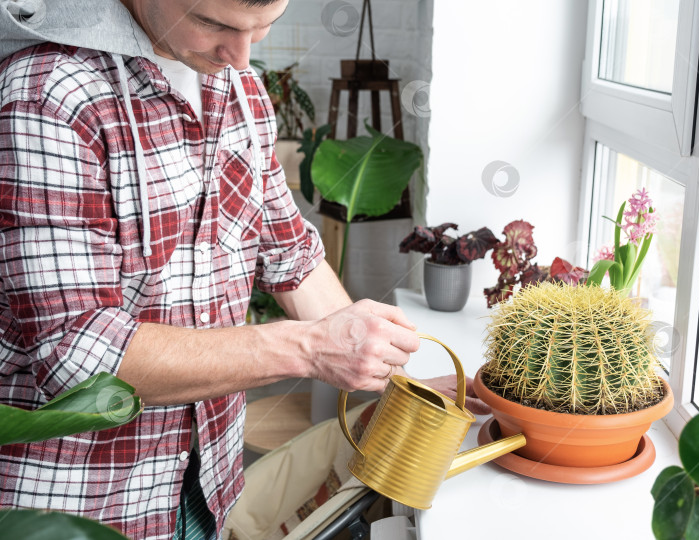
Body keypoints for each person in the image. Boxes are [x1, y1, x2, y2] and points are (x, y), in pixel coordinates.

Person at [0, 0, 488, 538]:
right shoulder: (48, 95)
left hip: (207, 488)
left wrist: (404, 387)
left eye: (263, 28)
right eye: (214, 24)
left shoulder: (242, 92)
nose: (240, 56)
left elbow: (293, 260)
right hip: (83, 505)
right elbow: (78, 354)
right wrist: (308, 348)